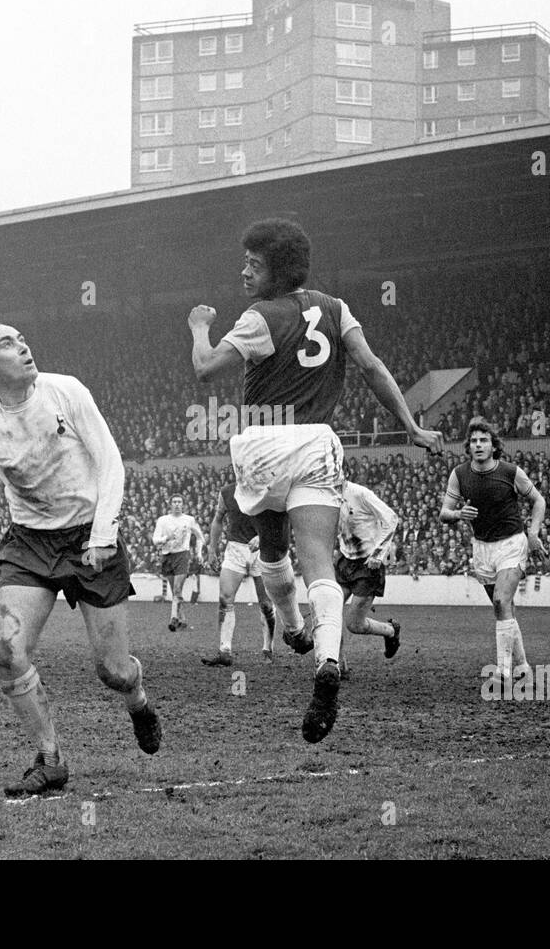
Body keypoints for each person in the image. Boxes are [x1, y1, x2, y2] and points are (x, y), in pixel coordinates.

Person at [189, 218, 441, 743]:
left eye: (253, 265)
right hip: (317, 442)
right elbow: (371, 367)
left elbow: (207, 369)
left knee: (272, 553)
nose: (244, 272)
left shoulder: (259, 317)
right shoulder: (335, 307)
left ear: (277, 271)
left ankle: (296, 629)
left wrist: (197, 326)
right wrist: (411, 425)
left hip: (262, 441)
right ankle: (326, 658)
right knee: (319, 561)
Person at [0, 322, 161, 796]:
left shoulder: (65, 390)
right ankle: (50, 758)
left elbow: (109, 459)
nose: (23, 345)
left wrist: (105, 532)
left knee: (113, 671)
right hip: (29, 543)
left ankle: (139, 701)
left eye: (21, 337)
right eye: (8, 343)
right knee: (7, 653)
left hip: (91, 537)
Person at [439, 418, 546, 684]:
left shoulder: (511, 472)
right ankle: (522, 666)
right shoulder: (459, 474)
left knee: (501, 601)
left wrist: (533, 534)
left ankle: (504, 672)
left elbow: (538, 500)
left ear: (493, 445)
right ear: (468, 446)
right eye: (474, 441)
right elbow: (444, 513)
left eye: (483, 440)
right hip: (482, 548)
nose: (478, 445)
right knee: (504, 608)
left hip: (511, 544)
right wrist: (458, 513)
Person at [201, 481, 278, 667]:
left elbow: (278, 521)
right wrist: (212, 550)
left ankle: (268, 648)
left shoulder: (266, 489)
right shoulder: (227, 492)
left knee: (266, 604)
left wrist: (262, 537)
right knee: (225, 598)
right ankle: (225, 651)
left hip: (262, 549)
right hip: (235, 548)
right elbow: (218, 519)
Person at [334, 479, 403, 680]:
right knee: (330, 611)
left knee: (354, 624)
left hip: (368, 565)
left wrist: (378, 554)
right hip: (345, 561)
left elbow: (391, 518)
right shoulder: (325, 494)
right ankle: (338, 665)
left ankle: (390, 630)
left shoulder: (360, 494)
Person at [152, 495, 206, 632]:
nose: (177, 504)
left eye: (179, 502)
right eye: (174, 502)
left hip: (182, 555)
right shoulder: (163, 520)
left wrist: (199, 553)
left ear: (183, 504)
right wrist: (165, 538)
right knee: (176, 591)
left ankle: (173, 618)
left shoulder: (189, 520)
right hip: (167, 556)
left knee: (176, 589)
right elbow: (155, 540)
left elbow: (200, 537)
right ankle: (183, 619)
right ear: (170, 504)